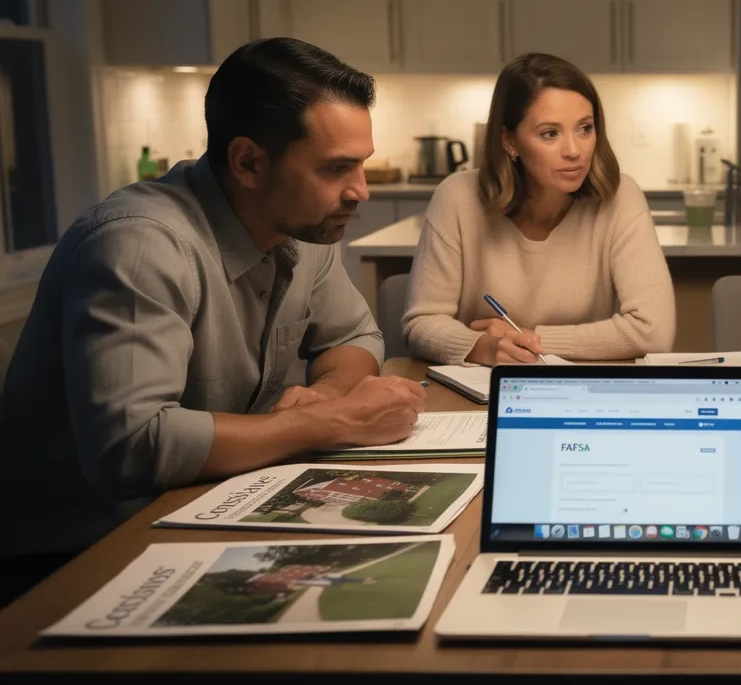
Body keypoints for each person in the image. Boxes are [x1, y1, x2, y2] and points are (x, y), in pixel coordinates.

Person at [0, 38, 427, 602]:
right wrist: (334, 422)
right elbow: (130, 447)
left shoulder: (303, 222)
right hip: (74, 558)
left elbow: (353, 336)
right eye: (335, 168)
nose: (360, 191)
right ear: (248, 161)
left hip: (200, 510)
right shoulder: (139, 245)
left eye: (362, 165)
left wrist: (327, 392)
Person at [402, 52, 675, 365]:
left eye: (585, 128)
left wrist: (529, 339)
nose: (574, 151)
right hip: (483, 390)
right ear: (510, 141)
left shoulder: (621, 196)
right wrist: (486, 348)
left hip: (583, 389)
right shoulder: (457, 197)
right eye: (550, 133)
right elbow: (421, 323)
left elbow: (653, 332)